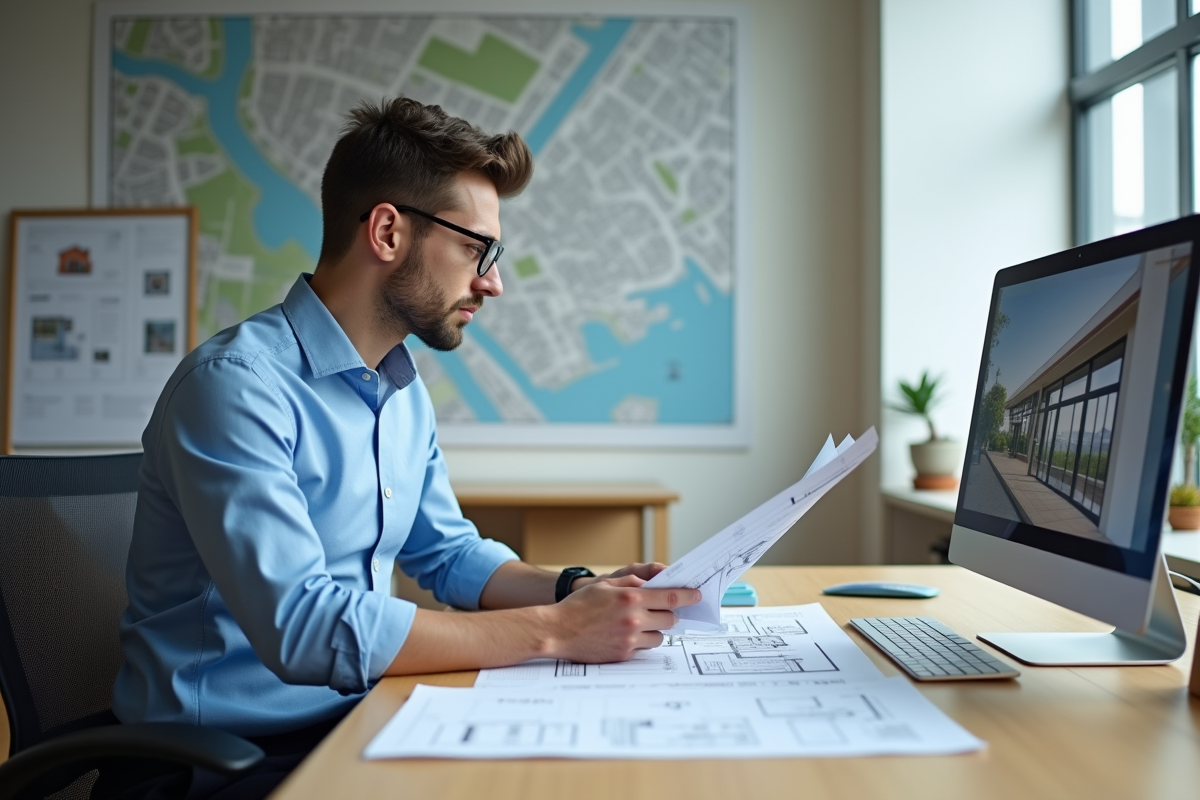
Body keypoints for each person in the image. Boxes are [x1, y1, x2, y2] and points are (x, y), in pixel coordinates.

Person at [109, 97, 699, 798]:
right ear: (387, 231)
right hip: (219, 762)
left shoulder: (399, 390)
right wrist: (556, 630)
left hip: (357, 717)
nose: (493, 281)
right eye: (476, 249)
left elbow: (449, 556)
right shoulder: (235, 389)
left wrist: (579, 588)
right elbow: (303, 627)